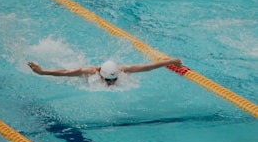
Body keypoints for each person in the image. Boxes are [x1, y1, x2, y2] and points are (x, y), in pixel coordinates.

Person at [27, 57, 182, 86]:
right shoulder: (88, 72)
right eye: (108, 80)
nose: (112, 83)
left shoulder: (121, 70)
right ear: (101, 74)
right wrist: (43, 72)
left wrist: (169, 61)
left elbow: (146, 67)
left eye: (114, 80)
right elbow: (64, 72)